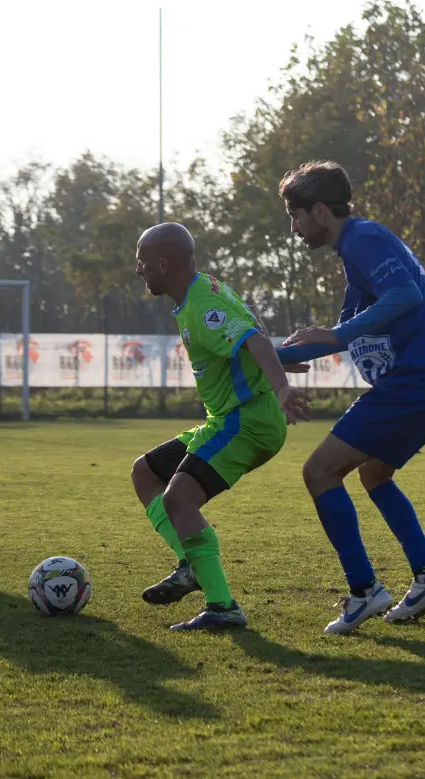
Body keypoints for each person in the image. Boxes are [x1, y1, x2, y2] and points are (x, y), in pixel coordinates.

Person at [274, 160, 425, 635]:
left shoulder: (363, 238)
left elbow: (403, 297)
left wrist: (336, 332)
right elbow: (339, 337)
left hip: (414, 381)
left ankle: (363, 591)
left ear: (320, 210)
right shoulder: (358, 254)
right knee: (375, 474)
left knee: (318, 471)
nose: (294, 228)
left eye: (296, 216)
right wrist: (264, 356)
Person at [130, 222, 310, 631]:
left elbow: (252, 339)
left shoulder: (202, 305)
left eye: (142, 261)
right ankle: (189, 565)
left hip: (247, 419)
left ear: (162, 262)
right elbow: (249, 341)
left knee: (178, 499)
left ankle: (222, 606)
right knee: (146, 472)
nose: (138, 270)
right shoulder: (201, 291)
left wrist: (280, 385)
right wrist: (277, 361)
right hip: (227, 418)